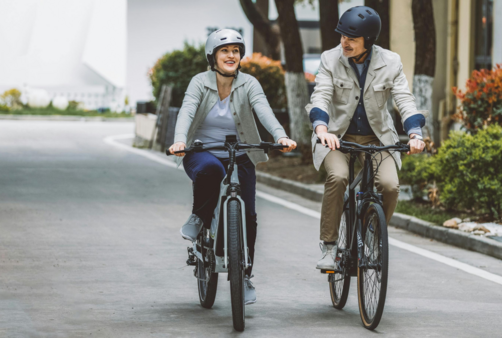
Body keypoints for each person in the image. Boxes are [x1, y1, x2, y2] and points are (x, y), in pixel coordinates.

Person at [168, 29, 297, 304]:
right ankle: (199, 218)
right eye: (225, 51)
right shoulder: (199, 83)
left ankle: (245, 275)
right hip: (202, 150)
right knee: (211, 171)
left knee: (248, 215)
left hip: (240, 152)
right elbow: (187, 110)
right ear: (213, 56)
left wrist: (280, 136)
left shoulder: (249, 83)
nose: (231, 55)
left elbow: (263, 110)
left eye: (236, 51)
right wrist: (180, 141)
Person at [306, 6, 426, 269]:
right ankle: (329, 247)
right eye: (342, 37)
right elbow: (321, 95)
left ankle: (372, 233)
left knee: (390, 185)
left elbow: (404, 100)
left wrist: (415, 133)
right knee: (338, 177)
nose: (344, 43)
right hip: (337, 137)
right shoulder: (330, 59)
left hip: (377, 138)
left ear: (368, 41)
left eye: (351, 38)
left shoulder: (390, 62)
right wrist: (321, 128)